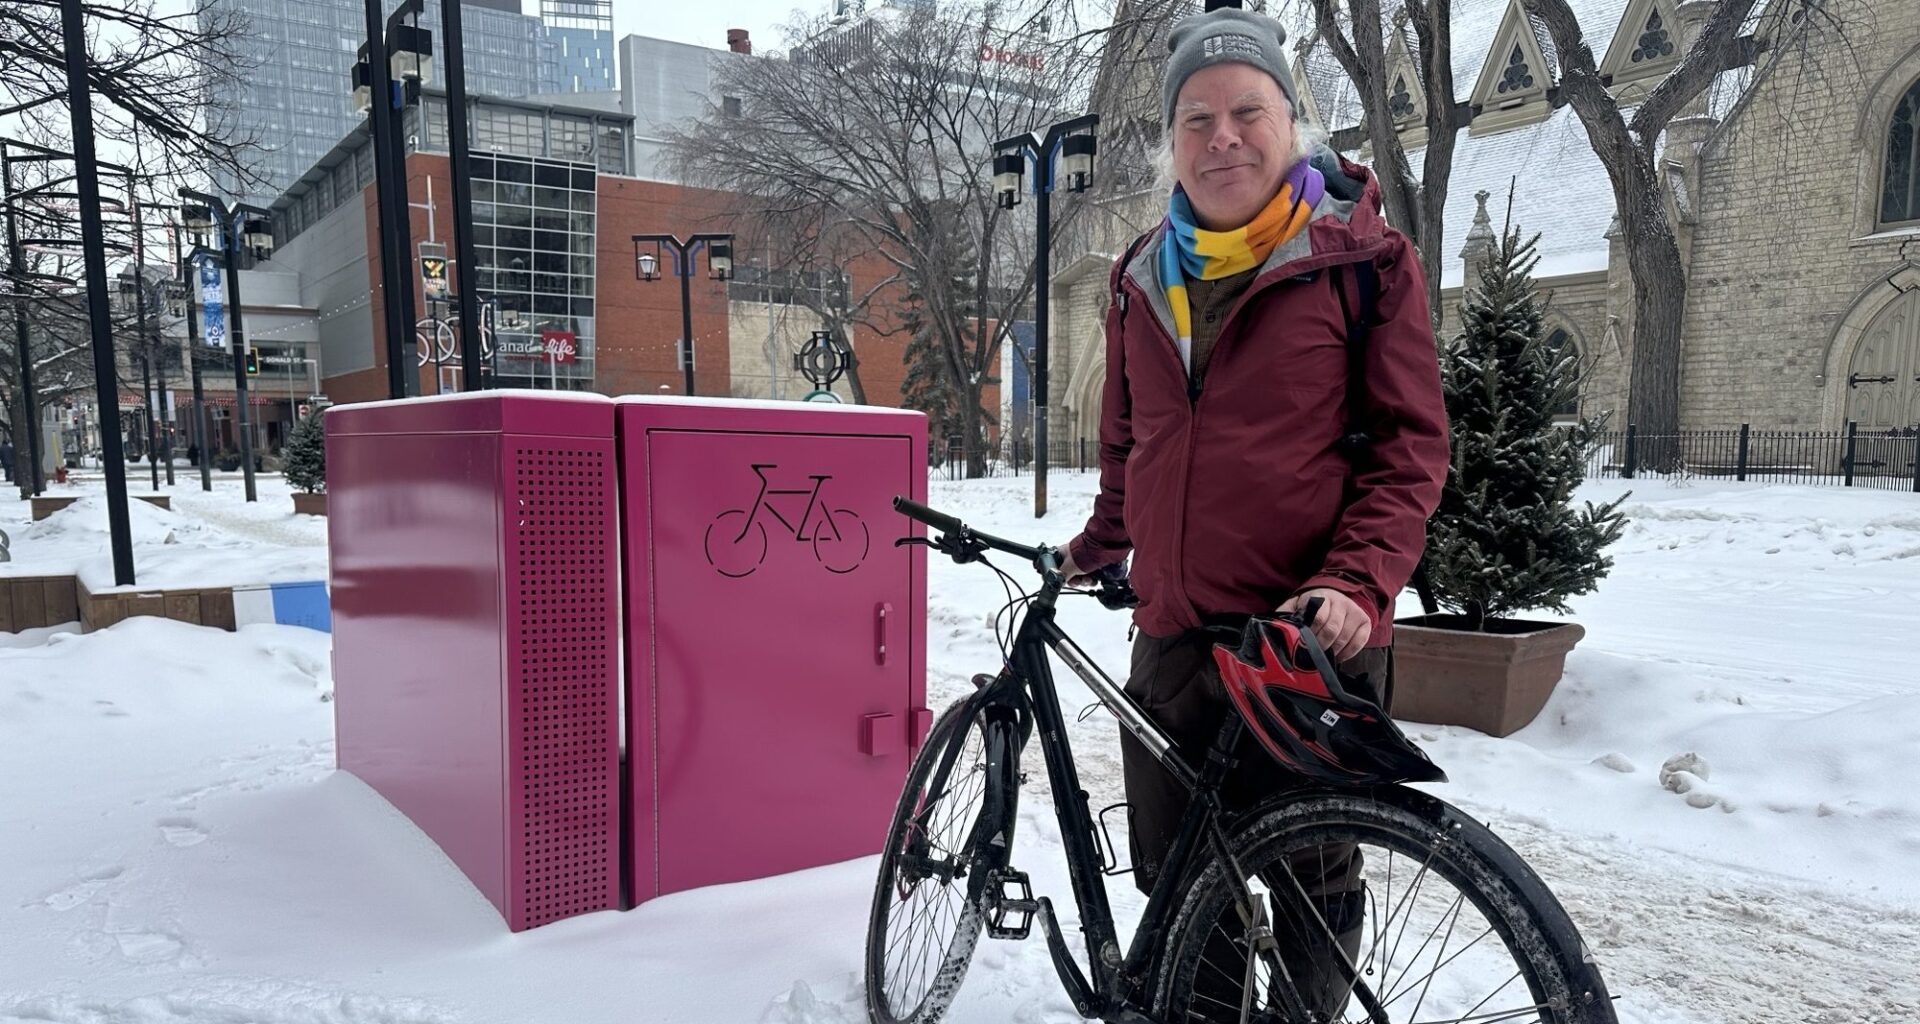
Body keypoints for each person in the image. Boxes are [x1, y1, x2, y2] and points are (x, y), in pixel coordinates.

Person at [1056, 5, 1450, 1017]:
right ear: (1172, 142)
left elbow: (1410, 449)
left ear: (1289, 124)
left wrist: (1360, 580)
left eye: (1245, 110)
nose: (1220, 134)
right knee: (1184, 884)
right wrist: (1098, 545)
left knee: (1314, 884)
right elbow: (1127, 446)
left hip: (1299, 640)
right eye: (1196, 117)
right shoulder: (1139, 276)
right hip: (1176, 643)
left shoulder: (1365, 263)